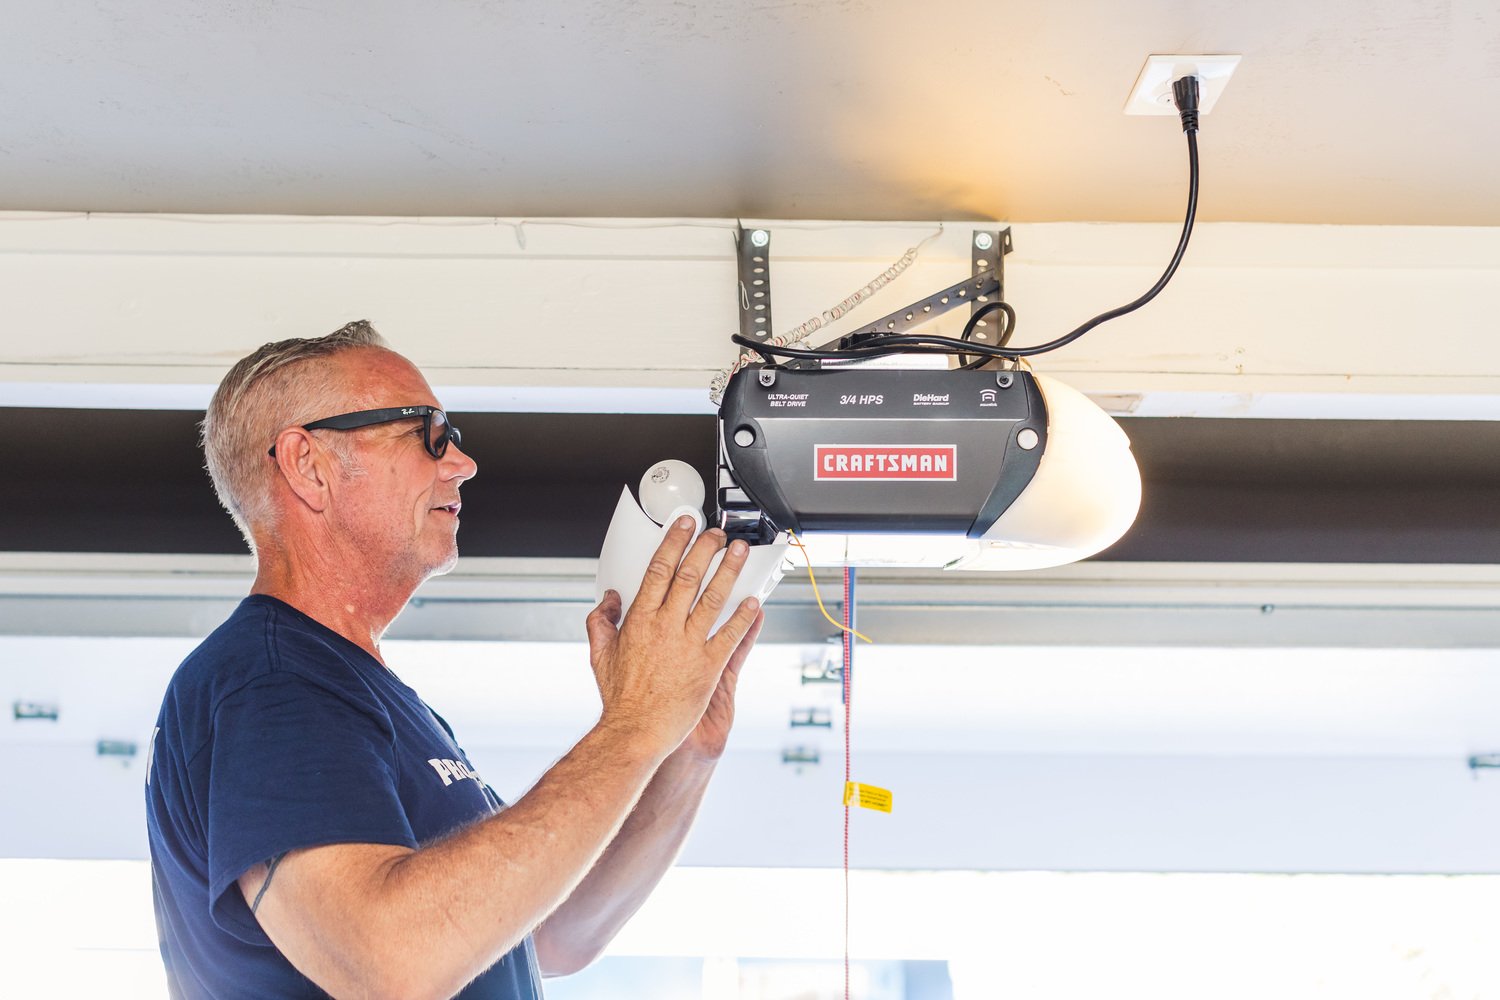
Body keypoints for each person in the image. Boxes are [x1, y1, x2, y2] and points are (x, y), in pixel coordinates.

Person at [146, 320, 765, 999]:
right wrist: (634, 726)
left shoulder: (367, 695)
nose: (461, 464)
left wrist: (680, 748)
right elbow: (391, 962)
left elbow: (555, 934)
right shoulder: (268, 684)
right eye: (426, 433)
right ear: (307, 464)